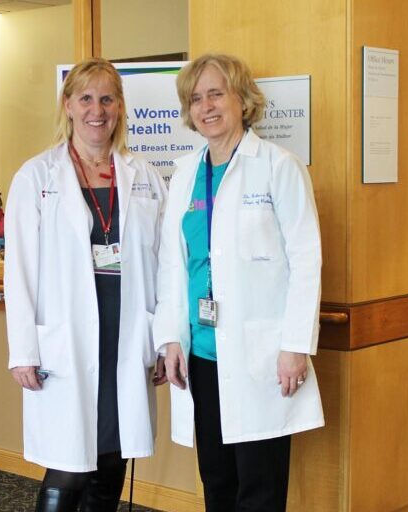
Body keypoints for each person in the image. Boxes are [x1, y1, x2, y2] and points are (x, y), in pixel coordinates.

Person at [153, 53, 324, 512]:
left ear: (241, 100)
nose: (206, 106)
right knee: (218, 482)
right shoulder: (186, 172)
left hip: (262, 356)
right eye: (195, 99)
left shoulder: (278, 166)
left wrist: (295, 345)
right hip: (202, 355)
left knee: (260, 488)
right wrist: (169, 338)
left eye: (215, 93)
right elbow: (173, 264)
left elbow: (307, 260)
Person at [4, 57, 168, 512]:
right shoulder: (37, 177)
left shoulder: (145, 177)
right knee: (69, 462)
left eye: (107, 98)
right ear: (69, 106)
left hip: (125, 334)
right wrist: (24, 351)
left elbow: (165, 263)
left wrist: (161, 340)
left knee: (111, 456)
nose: (98, 110)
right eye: (87, 98)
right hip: (67, 341)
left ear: (120, 107)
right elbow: (18, 272)